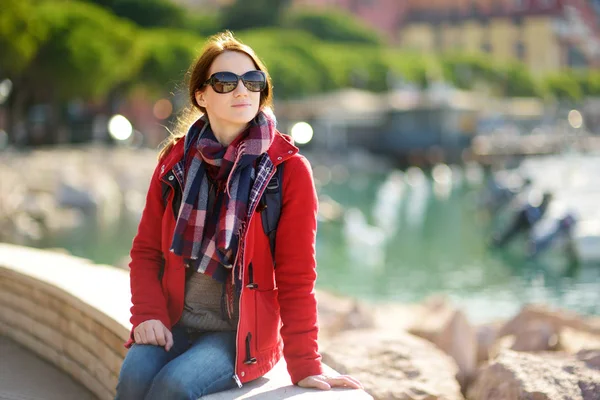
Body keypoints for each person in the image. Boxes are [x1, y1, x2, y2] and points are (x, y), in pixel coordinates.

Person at [115, 31, 363, 400]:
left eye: (253, 81)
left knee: (175, 386)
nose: (241, 91)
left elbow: (296, 276)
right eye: (225, 82)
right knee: (134, 374)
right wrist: (148, 315)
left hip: (239, 336)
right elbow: (146, 251)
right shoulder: (175, 161)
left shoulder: (287, 171)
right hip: (175, 319)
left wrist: (306, 363)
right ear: (201, 95)